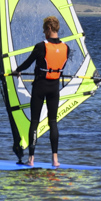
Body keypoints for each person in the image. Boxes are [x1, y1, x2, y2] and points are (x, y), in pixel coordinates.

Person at [13, 15, 68, 168]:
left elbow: (27, 63)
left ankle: (31, 159)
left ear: (49, 28)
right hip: (54, 88)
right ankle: (55, 159)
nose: (43, 33)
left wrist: (17, 71)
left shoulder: (41, 46)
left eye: (44, 30)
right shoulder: (66, 47)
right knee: (53, 122)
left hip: (40, 87)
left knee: (35, 122)